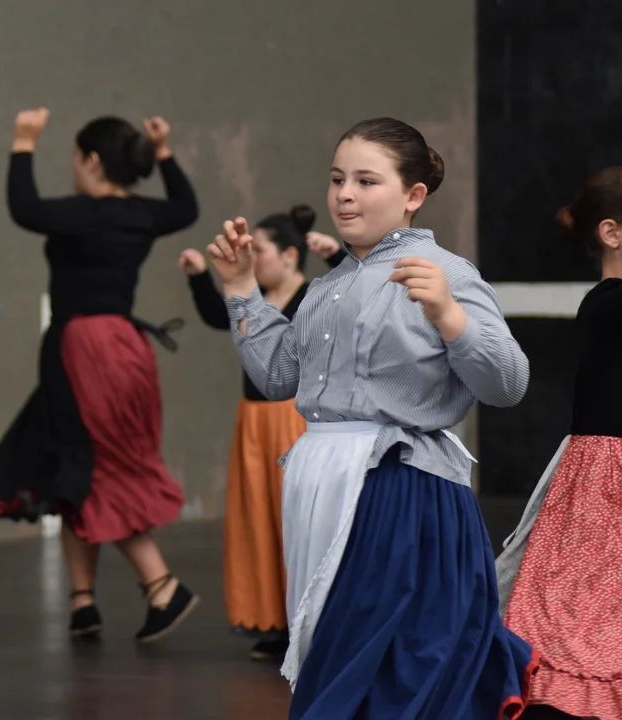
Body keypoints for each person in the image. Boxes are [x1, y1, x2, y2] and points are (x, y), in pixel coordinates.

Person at [207, 117, 538, 717]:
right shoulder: (326, 287)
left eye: (366, 181)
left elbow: (509, 384)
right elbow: (278, 376)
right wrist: (240, 290)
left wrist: (451, 316)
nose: (345, 195)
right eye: (338, 179)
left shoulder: (446, 273)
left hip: (400, 487)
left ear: (414, 195)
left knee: (380, 664)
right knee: (338, 651)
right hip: (323, 484)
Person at [0, 108, 200, 642]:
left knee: (91, 465)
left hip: (84, 349)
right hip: (124, 346)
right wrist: (164, 151)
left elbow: (25, 209)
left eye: (76, 158)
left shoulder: (82, 214)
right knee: (65, 462)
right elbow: (186, 206)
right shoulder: (141, 214)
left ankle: (162, 585)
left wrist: (23, 142)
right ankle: (82, 601)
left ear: (91, 161)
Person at [178, 207, 345, 661]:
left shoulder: (313, 295)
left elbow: (355, 289)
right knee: (260, 518)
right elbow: (218, 315)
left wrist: (334, 255)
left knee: (299, 520)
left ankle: (310, 620)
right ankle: (272, 620)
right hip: (254, 420)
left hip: (295, 420)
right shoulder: (256, 298)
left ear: (290, 255)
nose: (254, 259)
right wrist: (199, 277)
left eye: (262, 250)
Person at [495, 167, 622, 720]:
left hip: (601, 468)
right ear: (612, 233)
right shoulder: (609, 303)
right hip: (605, 473)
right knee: (586, 608)